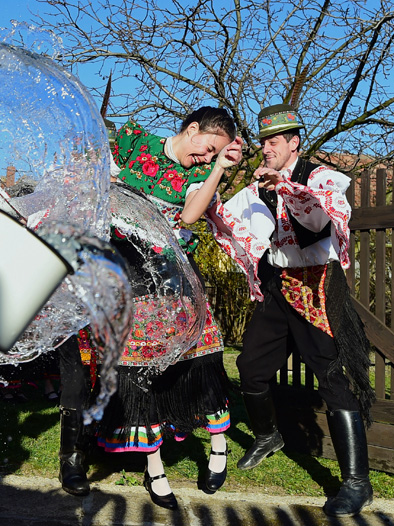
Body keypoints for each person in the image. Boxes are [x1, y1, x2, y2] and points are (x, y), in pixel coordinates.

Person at [57, 108, 242, 506]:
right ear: (191, 130)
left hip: (176, 277)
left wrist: (218, 171)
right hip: (129, 274)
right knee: (138, 371)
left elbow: (191, 215)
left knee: (201, 361)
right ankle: (154, 470)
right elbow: (86, 163)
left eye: (217, 155)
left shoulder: (201, 176)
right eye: (209, 149)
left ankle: (219, 447)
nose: (208, 158)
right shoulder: (131, 141)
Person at [205, 104, 376, 517]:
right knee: (250, 367)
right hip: (279, 286)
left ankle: (358, 483)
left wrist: (284, 185)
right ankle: (268, 436)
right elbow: (229, 218)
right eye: (263, 142)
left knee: (334, 379)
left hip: (317, 285)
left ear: (294, 142)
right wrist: (219, 178)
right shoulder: (261, 183)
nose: (266, 149)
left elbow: (319, 220)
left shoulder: (319, 177)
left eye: (273, 142)